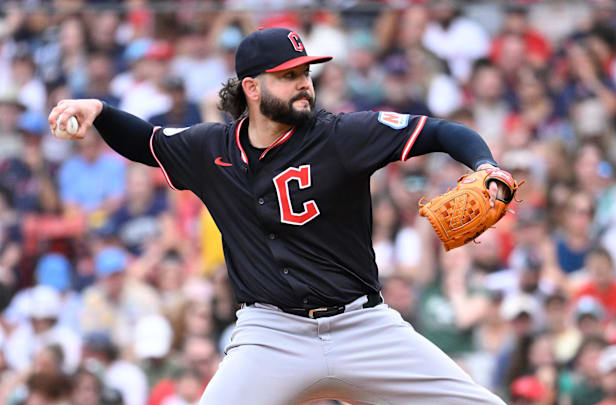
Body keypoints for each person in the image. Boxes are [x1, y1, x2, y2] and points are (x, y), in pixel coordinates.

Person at [48, 27, 511, 405]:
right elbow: (148, 143)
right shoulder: (210, 148)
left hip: (363, 327)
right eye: (288, 75)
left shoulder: (342, 135)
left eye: (306, 72)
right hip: (271, 334)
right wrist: (100, 111)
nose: (304, 83)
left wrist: (486, 166)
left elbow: (441, 131)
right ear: (251, 87)